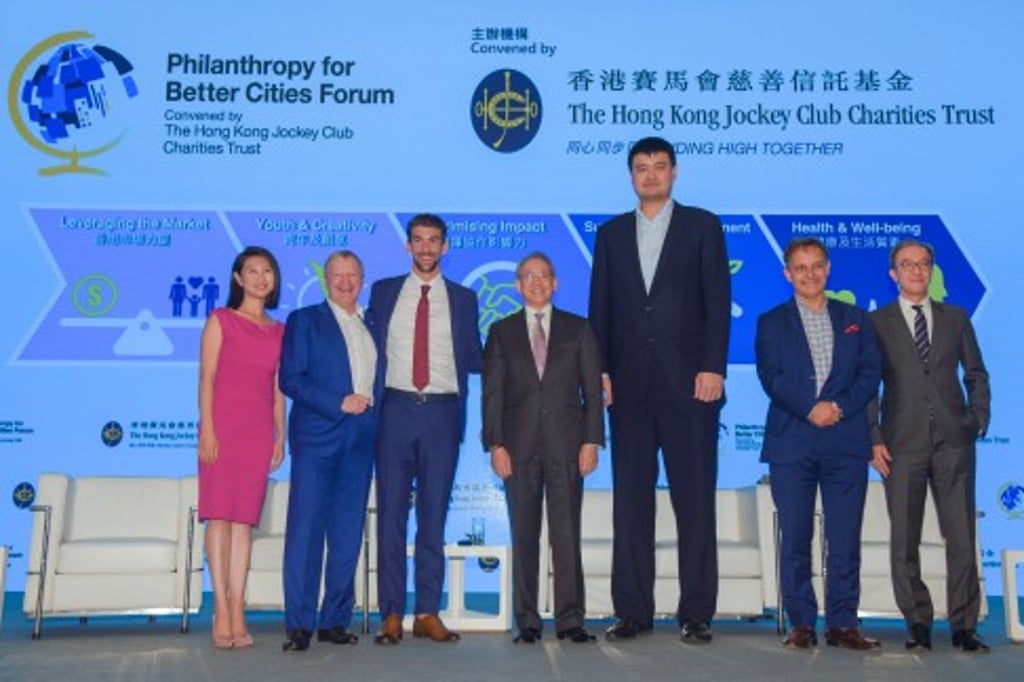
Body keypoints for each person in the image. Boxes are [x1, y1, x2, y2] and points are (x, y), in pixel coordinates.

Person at [588, 136, 730, 643]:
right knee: (631, 503)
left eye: (659, 166)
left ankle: (696, 612)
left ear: (675, 172)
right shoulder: (610, 234)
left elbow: (718, 302)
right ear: (631, 176)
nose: (650, 174)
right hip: (628, 389)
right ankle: (632, 611)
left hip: (691, 387)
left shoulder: (703, 226)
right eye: (641, 167)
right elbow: (600, 309)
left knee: (695, 502)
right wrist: (600, 372)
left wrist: (713, 367)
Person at [755, 238, 881, 651]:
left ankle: (843, 624)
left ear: (828, 269)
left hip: (845, 441)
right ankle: (802, 624)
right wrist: (811, 408)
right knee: (795, 538)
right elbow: (771, 377)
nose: (809, 274)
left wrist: (838, 408)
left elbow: (869, 374)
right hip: (792, 442)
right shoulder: (770, 322)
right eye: (800, 267)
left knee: (844, 539)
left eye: (816, 266)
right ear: (787, 274)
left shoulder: (856, 319)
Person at [869, 239, 991, 652]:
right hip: (901, 444)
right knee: (904, 539)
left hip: (954, 442)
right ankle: (917, 623)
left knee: (962, 536)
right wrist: (873, 437)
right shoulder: (877, 322)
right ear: (893, 274)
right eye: (907, 264)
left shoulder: (956, 317)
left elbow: (975, 372)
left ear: (932, 270)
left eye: (923, 263)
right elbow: (868, 385)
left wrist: (977, 419)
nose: (916, 270)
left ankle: (964, 626)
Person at [369, 213, 483, 644]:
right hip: (395, 411)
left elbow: (476, 355)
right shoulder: (383, 292)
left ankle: (427, 611)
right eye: (418, 240)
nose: (426, 248)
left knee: (433, 517)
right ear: (408, 246)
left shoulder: (464, 299)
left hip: (441, 414)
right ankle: (391, 613)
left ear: (445, 247)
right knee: (391, 517)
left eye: (434, 240)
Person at [482, 252, 604, 644]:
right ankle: (528, 621)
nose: (536, 283)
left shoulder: (578, 328)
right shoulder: (501, 332)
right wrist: (495, 444)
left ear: (555, 283)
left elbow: (592, 391)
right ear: (517, 285)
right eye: (528, 277)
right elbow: (492, 394)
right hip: (516, 448)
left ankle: (570, 620)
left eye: (544, 276)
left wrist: (591, 441)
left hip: (568, 445)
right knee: (524, 536)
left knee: (566, 535)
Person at [278, 250, 381, 652]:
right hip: (318, 438)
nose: (345, 282)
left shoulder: (374, 323)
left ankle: (335, 619)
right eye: (337, 274)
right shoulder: (305, 320)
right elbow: (291, 378)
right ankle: (300, 624)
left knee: (347, 533)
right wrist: (338, 401)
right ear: (326, 279)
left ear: (362, 280)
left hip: (361, 439)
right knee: (305, 532)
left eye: (352, 275)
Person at [198, 246, 286, 649]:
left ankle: (238, 607)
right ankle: (221, 607)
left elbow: (277, 389)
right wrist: (208, 429)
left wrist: (281, 435)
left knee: (243, 522)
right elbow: (207, 378)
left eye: (267, 271)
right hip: (222, 429)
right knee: (219, 517)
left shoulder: (279, 330)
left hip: (257, 433)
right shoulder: (221, 320)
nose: (260, 278)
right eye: (252, 271)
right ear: (238, 278)